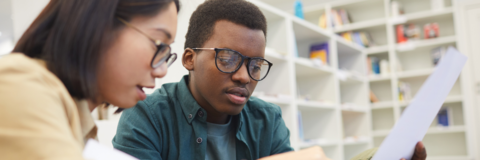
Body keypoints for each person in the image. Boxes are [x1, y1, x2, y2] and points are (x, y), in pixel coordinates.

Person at [113, 0, 427, 160]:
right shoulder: (146, 116)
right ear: (190, 58)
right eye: (227, 58)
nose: (243, 76)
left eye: (255, 65)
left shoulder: (266, 119)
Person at [0, 0, 180, 159]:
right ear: (100, 23)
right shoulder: (20, 84)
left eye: (166, 54)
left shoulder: (83, 129)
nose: (162, 71)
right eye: (159, 44)